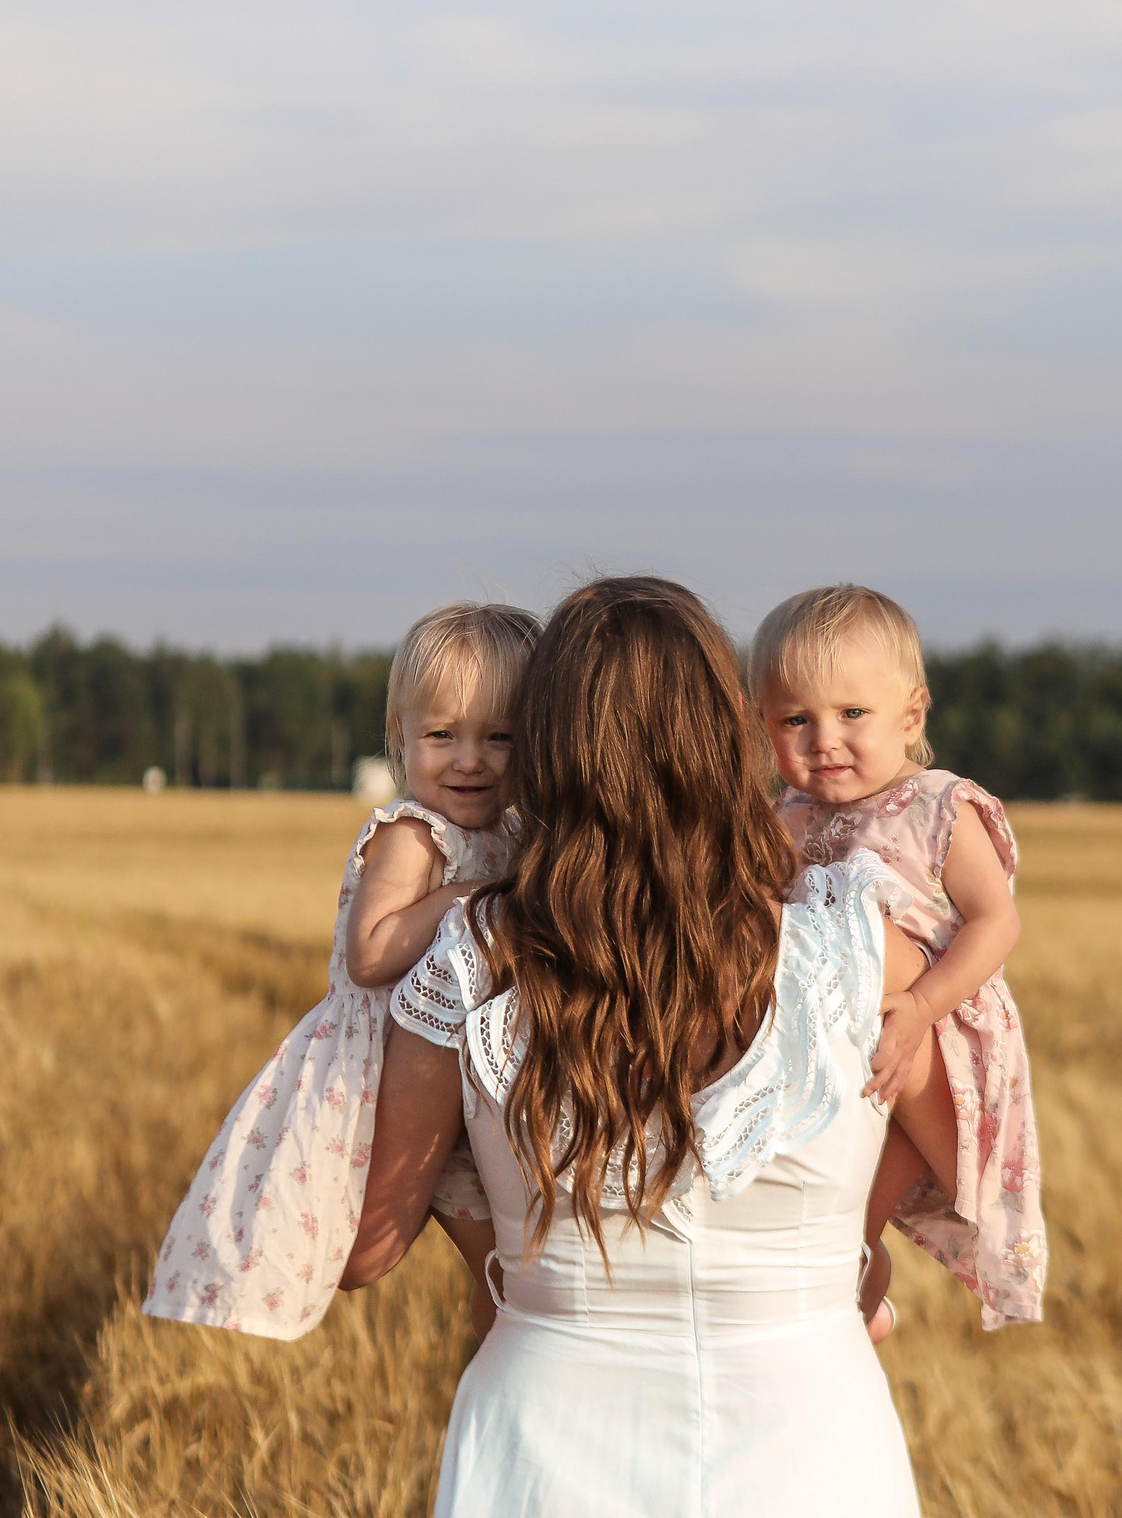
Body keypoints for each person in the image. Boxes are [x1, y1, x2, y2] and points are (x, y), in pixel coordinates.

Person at [341, 576, 930, 1515]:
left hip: (543, 1447)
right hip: (817, 1438)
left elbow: (365, 1249)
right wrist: (846, 1258)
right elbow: (969, 1147)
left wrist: (478, 1198)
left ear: (545, 752)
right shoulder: (864, 950)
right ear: (732, 735)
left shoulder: (466, 962)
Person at [143, 601, 538, 1340]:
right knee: (447, 1250)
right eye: (442, 735)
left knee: (507, 1258)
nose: (470, 759)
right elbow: (371, 948)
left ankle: (494, 1370)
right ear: (400, 737)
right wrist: (465, 896)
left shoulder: (514, 833)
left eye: (499, 737)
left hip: (473, 1074)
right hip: (390, 1068)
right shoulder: (418, 835)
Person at [752, 584, 1045, 1336]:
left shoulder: (937, 806)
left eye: (853, 713)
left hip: (933, 1035)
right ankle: (862, 1310)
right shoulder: (787, 818)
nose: (824, 739)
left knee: (855, 1211)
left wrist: (923, 1004)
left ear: (911, 715)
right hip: (840, 1050)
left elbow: (995, 921)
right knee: (841, 1228)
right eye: (797, 719)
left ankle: (852, 1309)